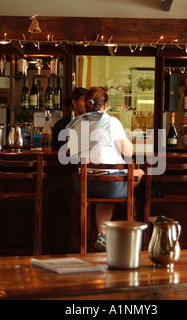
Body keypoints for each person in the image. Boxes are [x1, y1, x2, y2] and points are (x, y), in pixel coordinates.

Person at [67, 86, 144, 251]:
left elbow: (71, 153)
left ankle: (102, 235)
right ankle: (130, 237)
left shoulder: (76, 123)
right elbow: (128, 152)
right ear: (104, 105)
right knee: (139, 173)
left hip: (83, 185)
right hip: (108, 186)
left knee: (105, 183)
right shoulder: (111, 121)